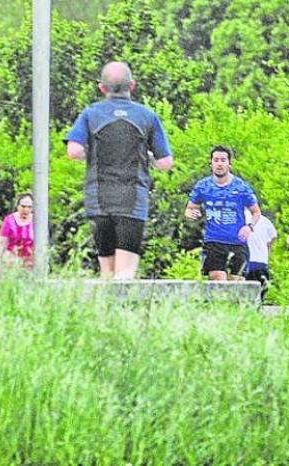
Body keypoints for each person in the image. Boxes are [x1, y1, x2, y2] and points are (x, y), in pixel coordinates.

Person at [64, 61, 173, 279]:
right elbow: (166, 162)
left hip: (98, 200)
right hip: (132, 199)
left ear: (101, 88)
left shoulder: (90, 114)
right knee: (125, 273)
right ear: (132, 85)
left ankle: (105, 312)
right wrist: (146, 158)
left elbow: (74, 151)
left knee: (107, 271)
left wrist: (97, 152)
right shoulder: (147, 116)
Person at [184, 146, 261, 281]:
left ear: (229, 163)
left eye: (223, 160)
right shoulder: (203, 186)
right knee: (219, 282)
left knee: (236, 284)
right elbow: (190, 208)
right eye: (216, 160)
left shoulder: (241, 187)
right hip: (214, 241)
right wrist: (190, 213)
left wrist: (249, 227)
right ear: (211, 163)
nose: (219, 164)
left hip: (237, 241)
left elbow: (256, 212)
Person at [243, 207, 277, 296]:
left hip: (246, 261)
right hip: (262, 261)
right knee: (260, 294)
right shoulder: (265, 220)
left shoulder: (240, 218)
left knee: (245, 296)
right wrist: (267, 247)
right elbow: (273, 236)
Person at [0, 192, 34, 269]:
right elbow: (2, 243)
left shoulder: (37, 221)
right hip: (11, 261)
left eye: (29, 207)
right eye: (23, 206)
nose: (26, 209)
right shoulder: (9, 220)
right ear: (18, 206)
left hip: (30, 263)